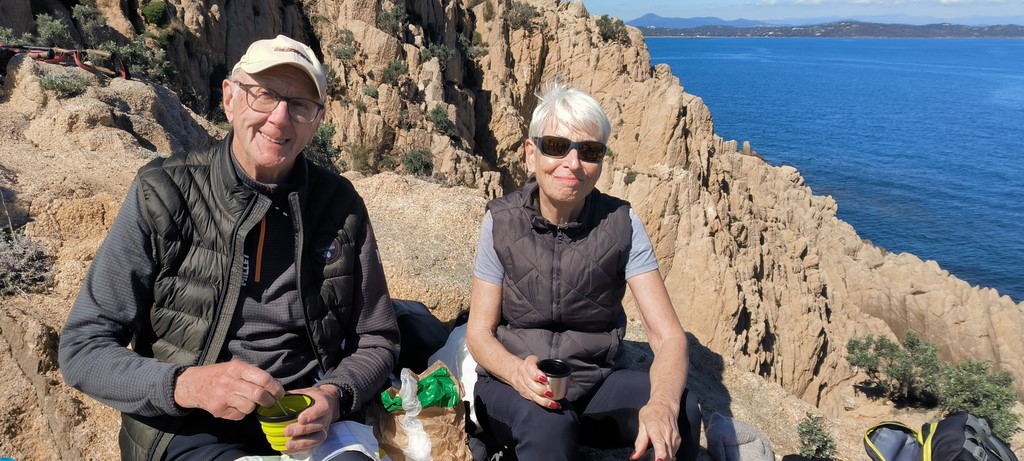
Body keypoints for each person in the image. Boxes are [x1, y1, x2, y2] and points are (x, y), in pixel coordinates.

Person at [58, 35, 400, 461]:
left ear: (317, 121)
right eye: (264, 94)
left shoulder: (339, 205)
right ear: (230, 98)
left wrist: (334, 394)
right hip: (190, 425)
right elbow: (82, 348)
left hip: (308, 422)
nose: (279, 118)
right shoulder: (164, 193)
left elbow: (377, 338)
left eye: (299, 105)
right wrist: (187, 385)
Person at [466, 80, 702, 461]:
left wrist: (661, 403)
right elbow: (479, 333)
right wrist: (515, 372)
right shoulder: (501, 221)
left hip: (596, 386)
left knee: (684, 413)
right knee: (549, 428)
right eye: (556, 146)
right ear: (531, 154)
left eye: (589, 151)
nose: (573, 163)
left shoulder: (622, 224)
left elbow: (669, 336)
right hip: (513, 386)